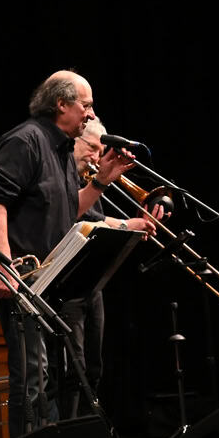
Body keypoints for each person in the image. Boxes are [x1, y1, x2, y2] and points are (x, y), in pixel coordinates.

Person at [0, 70, 135, 438]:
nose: (91, 114)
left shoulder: (63, 149)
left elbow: (67, 209)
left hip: (53, 283)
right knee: (33, 381)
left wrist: (101, 181)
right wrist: (3, 266)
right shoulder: (25, 141)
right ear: (61, 104)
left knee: (54, 380)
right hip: (23, 282)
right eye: (86, 105)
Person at [61, 117, 162, 417]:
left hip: (93, 283)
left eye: (99, 150)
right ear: (74, 142)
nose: (96, 157)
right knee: (74, 368)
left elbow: (96, 219)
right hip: (68, 282)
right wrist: (127, 224)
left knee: (94, 366)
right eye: (92, 148)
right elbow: (78, 221)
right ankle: (68, 431)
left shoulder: (86, 180)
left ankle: (88, 428)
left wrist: (134, 224)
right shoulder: (65, 175)